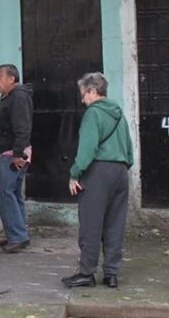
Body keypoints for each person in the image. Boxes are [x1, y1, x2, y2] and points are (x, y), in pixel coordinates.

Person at [62, 72, 134, 289]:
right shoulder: (118, 113)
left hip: (98, 171)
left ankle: (87, 273)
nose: (82, 100)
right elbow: (129, 149)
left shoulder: (93, 114)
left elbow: (87, 149)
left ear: (93, 91)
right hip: (121, 172)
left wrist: (74, 173)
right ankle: (111, 274)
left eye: (83, 94)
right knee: (115, 224)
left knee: (91, 223)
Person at [0, 63, 33, 253]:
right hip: (11, 152)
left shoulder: (17, 97)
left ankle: (17, 236)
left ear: (11, 79)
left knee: (5, 193)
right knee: (13, 193)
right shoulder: (11, 96)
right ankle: (17, 234)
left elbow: (22, 128)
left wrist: (17, 154)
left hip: (12, 154)